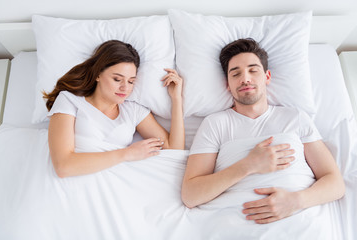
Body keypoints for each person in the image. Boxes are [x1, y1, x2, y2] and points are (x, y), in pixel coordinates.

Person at [181, 38, 345, 224]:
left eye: (253, 70)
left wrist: (296, 201)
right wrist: (248, 165)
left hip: (299, 223)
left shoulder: (295, 118)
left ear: (267, 77)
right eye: (235, 74)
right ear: (228, 84)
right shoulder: (215, 124)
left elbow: (335, 183)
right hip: (234, 225)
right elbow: (191, 195)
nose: (245, 79)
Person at [44, 40, 185, 178]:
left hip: (113, 184)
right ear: (98, 74)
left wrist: (176, 99)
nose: (125, 88)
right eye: (117, 79)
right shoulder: (69, 101)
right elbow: (63, 167)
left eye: (131, 81)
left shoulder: (133, 111)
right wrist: (127, 153)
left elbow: (174, 149)